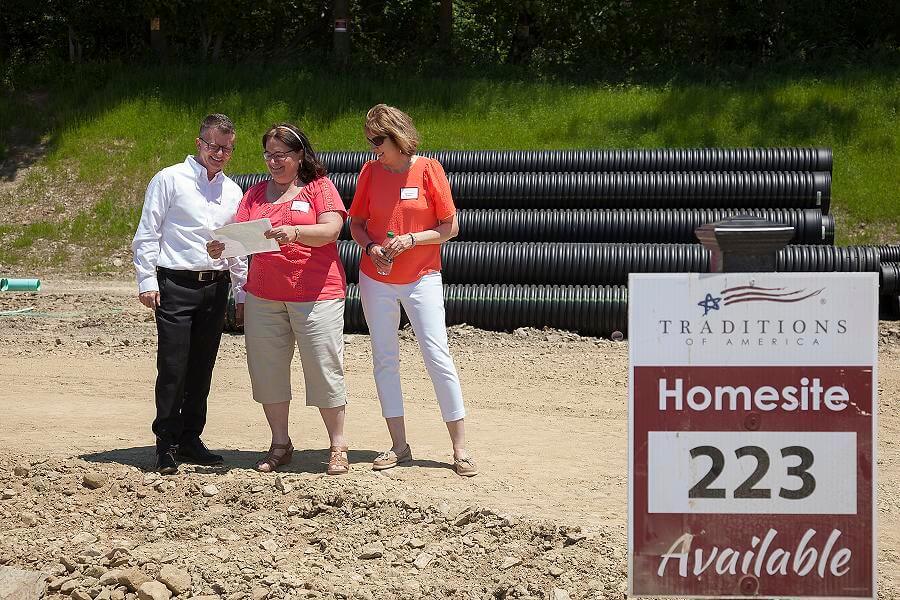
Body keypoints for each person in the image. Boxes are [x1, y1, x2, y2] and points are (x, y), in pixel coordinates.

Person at [207, 123, 350, 475]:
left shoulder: (320, 188)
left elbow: (332, 230)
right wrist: (219, 247)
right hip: (264, 297)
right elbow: (239, 238)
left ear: (300, 155)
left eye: (282, 155)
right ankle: (280, 443)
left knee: (323, 368)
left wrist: (297, 232)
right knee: (267, 371)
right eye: (269, 155)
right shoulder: (255, 195)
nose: (274, 161)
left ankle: (337, 445)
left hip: (316, 295)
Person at [348, 104, 477, 477]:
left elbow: (449, 227)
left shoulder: (428, 169)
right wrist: (371, 248)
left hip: (422, 276)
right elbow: (356, 224)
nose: (373, 147)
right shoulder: (369, 172)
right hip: (376, 278)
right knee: (385, 358)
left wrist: (411, 240)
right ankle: (398, 445)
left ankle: (460, 448)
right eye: (370, 140)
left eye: (378, 140)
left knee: (437, 355)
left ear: (398, 137)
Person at [132, 113, 248, 475]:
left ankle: (190, 438)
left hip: (216, 286)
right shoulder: (169, 179)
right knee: (173, 366)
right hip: (175, 284)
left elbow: (238, 244)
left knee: (202, 366)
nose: (219, 153)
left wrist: (240, 293)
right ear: (199, 143)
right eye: (213, 145)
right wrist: (146, 281)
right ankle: (165, 441)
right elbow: (148, 232)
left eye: (226, 148)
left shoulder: (233, 190)